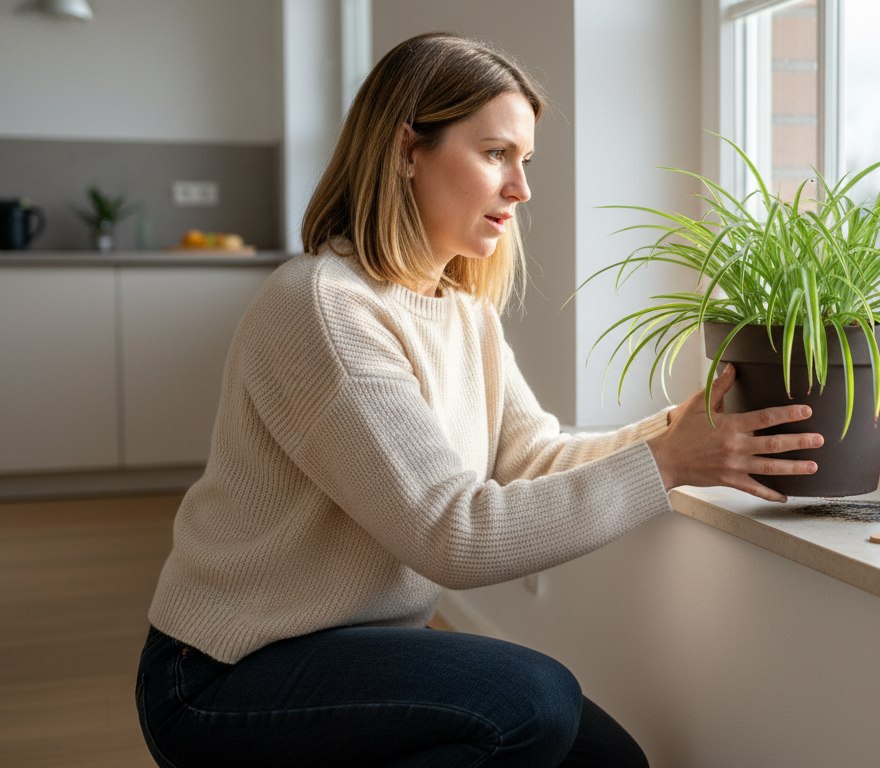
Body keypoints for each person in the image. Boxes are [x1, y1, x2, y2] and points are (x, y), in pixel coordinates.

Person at [134, 31, 822, 768]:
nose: (521, 189)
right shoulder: (324, 307)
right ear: (405, 151)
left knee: (609, 762)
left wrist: (680, 433)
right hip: (224, 675)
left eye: (525, 161)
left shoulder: (463, 312)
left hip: (356, 644)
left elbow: (535, 458)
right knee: (532, 704)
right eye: (496, 155)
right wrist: (664, 464)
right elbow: (451, 533)